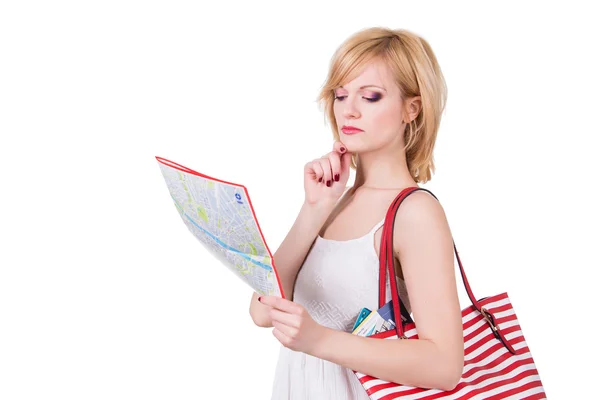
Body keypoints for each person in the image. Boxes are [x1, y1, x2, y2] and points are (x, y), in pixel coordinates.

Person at [249, 26, 464, 399]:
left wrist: (319, 339)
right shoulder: (335, 200)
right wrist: (314, 209)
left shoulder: (414, 213)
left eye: (371, 96)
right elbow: (261, 312)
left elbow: (445, 366)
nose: (348, 109)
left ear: (412, 108)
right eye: (340, 94)